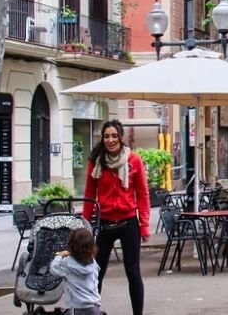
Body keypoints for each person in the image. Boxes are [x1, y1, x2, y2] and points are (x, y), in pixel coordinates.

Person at [82, 120, 148, 315]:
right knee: (96, 273)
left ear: (121, 137)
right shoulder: (96, 162)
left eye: (114, 136)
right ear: (102, 139)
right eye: (106, 136)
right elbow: (88, 196)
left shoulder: (134, 160)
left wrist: (144, 225)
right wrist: (85, 224)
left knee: (133, 272)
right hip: (104, 223)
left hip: (128, 222)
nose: (110, 140)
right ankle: (93, 312)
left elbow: (142, 194)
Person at [50, 228, 102, 315]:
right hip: (94, 305)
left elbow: (53, 269)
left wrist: (59, 256)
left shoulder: (67, 263)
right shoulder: (93, 263)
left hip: (77, 307)